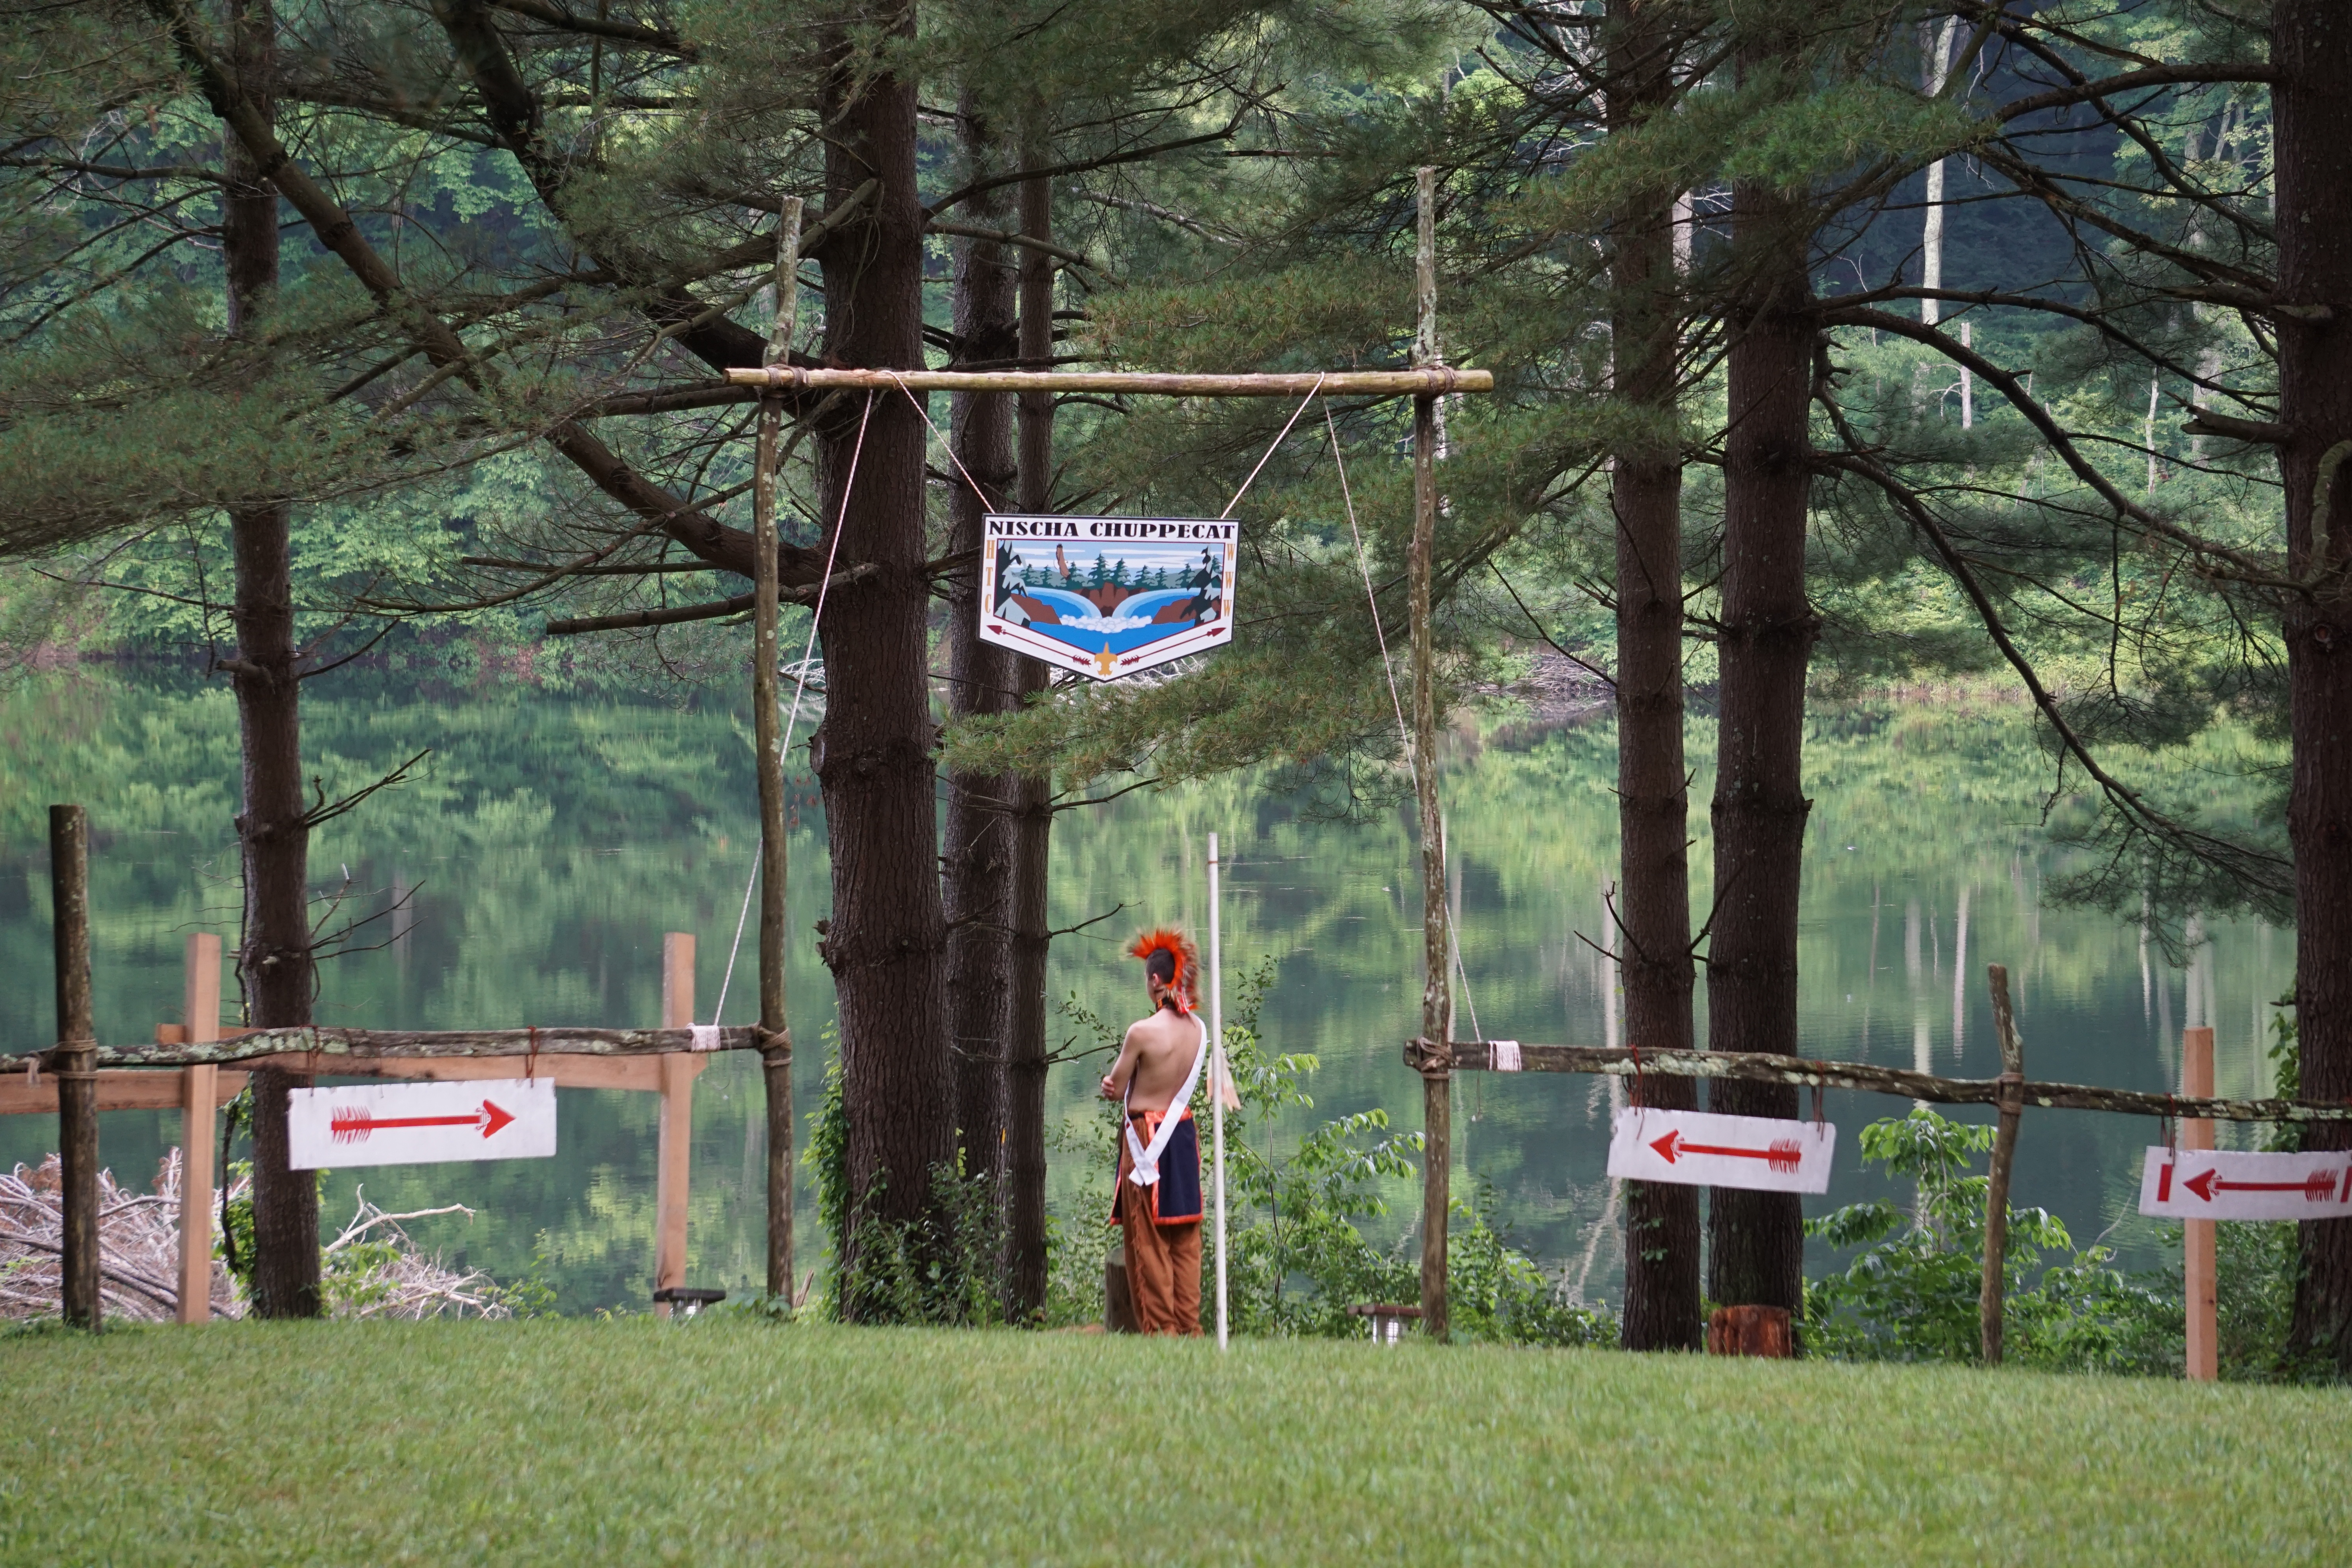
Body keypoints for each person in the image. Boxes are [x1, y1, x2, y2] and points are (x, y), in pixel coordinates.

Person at [1100, 928, 1211, 1335]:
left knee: (1147, 1240)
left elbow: (1117, 1085)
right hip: (1182, 1135)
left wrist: (1109, 1087)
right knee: (1185, 1235)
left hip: (1146, 1138)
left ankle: (1162, 1330)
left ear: (1154, 980)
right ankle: (1190, 1328)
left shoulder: (1141, 1032)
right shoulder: (1199, 1031)